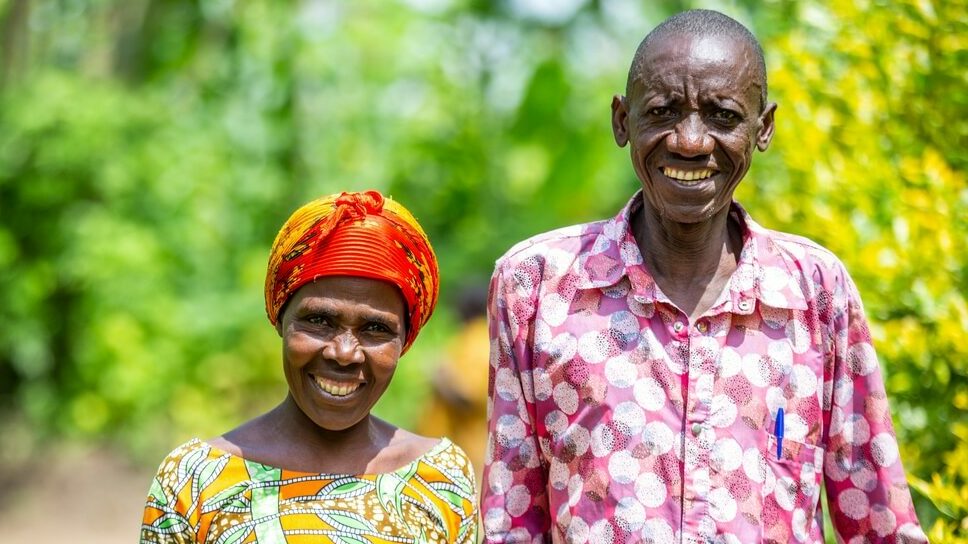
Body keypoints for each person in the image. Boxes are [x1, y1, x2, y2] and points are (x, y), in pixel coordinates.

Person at [482, 9, 927, 544]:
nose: (690, 141)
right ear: (622, 121)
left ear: (763, 129)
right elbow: (512, 521)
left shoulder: (816, 291)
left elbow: (879, 523)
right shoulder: (535, 286)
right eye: (662, 110)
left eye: (722, 116)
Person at [140, 190, 478, 543]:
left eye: (376, 329)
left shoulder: (441, 477)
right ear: (279, 320)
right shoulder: (195, 480)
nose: (344, 353)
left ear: (404, 341)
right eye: (319, 320)